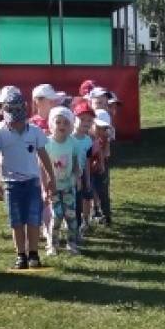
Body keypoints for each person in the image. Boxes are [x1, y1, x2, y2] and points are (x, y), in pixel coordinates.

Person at [0, 86, 56, 270]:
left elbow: (43, 155)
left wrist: (51, 177)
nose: (15, 124)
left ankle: (34, 254)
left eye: (18, 120)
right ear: (4, 113)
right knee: (16, 222)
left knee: (33, 220)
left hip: (32, 183)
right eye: (12, 120)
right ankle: (21, 255)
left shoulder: (34, 132)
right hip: (11, 185)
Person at [43, 105, 82, 255]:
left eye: (66, 123)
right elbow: (41, 165)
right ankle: (52, 244)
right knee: (57, 215)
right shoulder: (47, 143)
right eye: (58, 122)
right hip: (53, 186)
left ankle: (72, 243)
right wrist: (44, 184)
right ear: (52, 124)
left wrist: (78, 177)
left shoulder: (73, 143)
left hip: (68, 186)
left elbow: (75, 162)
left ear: (71, 125)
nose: (62, 126)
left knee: (71, 215)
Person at [71, 100, 96, 245]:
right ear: (74, 119)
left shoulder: (88, 141)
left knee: (78, 206)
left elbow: (87, 162)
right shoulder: (68, 138)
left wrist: (87, 179)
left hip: (80, 177)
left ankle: (76, 231)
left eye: (89, 120)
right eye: (82, 119)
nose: (86, 123)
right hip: (66, 178)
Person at [90, 106, 114, 225]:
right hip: (88, 167)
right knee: (92, 189)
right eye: (98, 127)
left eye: (104, 128)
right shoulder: (87, 137)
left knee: (103, 190)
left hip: (101, 166)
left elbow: (106, 153)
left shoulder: (105, 136)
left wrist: (101, 165)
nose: (101, 131)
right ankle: (95, 210)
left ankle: (106, 214)